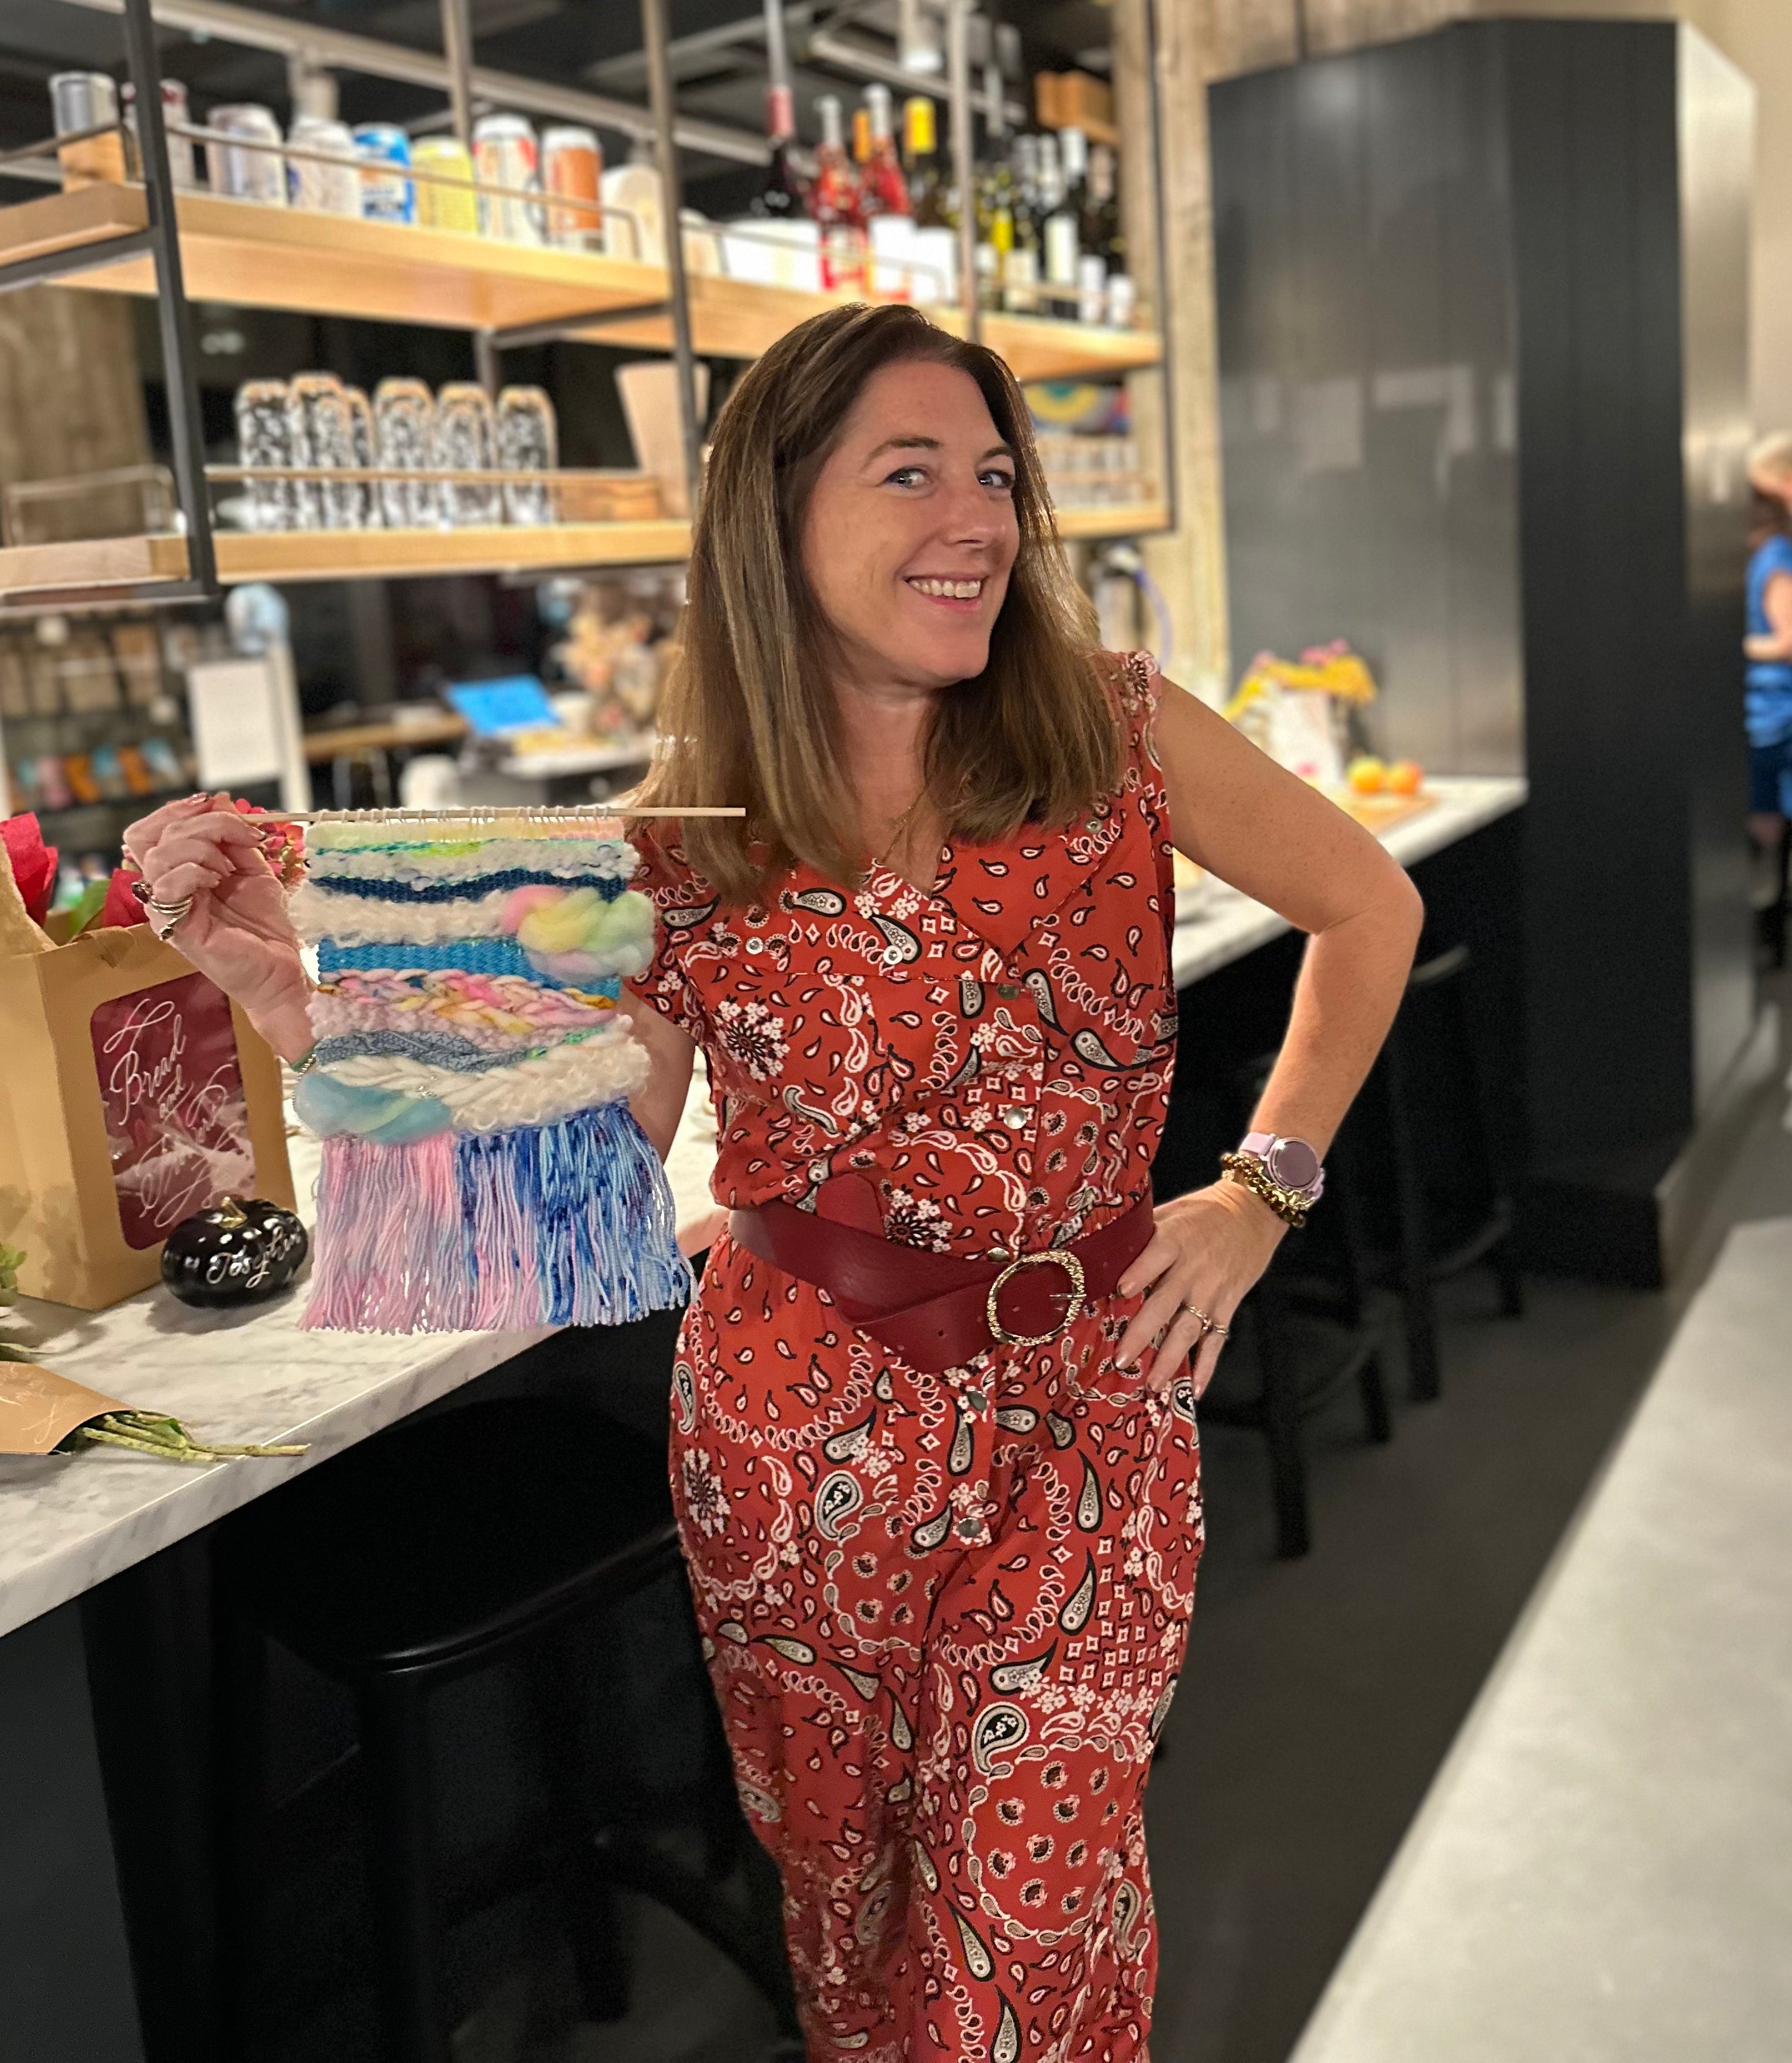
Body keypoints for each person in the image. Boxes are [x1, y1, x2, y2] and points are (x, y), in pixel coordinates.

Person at [126, 304, 1422, 2061]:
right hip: (791, 1436)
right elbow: (568, 1190)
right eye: (908, 472)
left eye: (989, 473)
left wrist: (1255, 1192)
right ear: (776, 517)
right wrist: (295, 998)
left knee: (1030, 1928)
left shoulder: (1113, 729)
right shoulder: (684, 838)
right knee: (854, 1898)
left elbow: (1368, 903)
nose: (972, 515)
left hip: (1086, 1413)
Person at [1745, 434, 1792, 911]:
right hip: (1772, 709)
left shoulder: (1774, 556)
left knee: (1766, 821)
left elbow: (1787, 640)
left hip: (1774, 710)